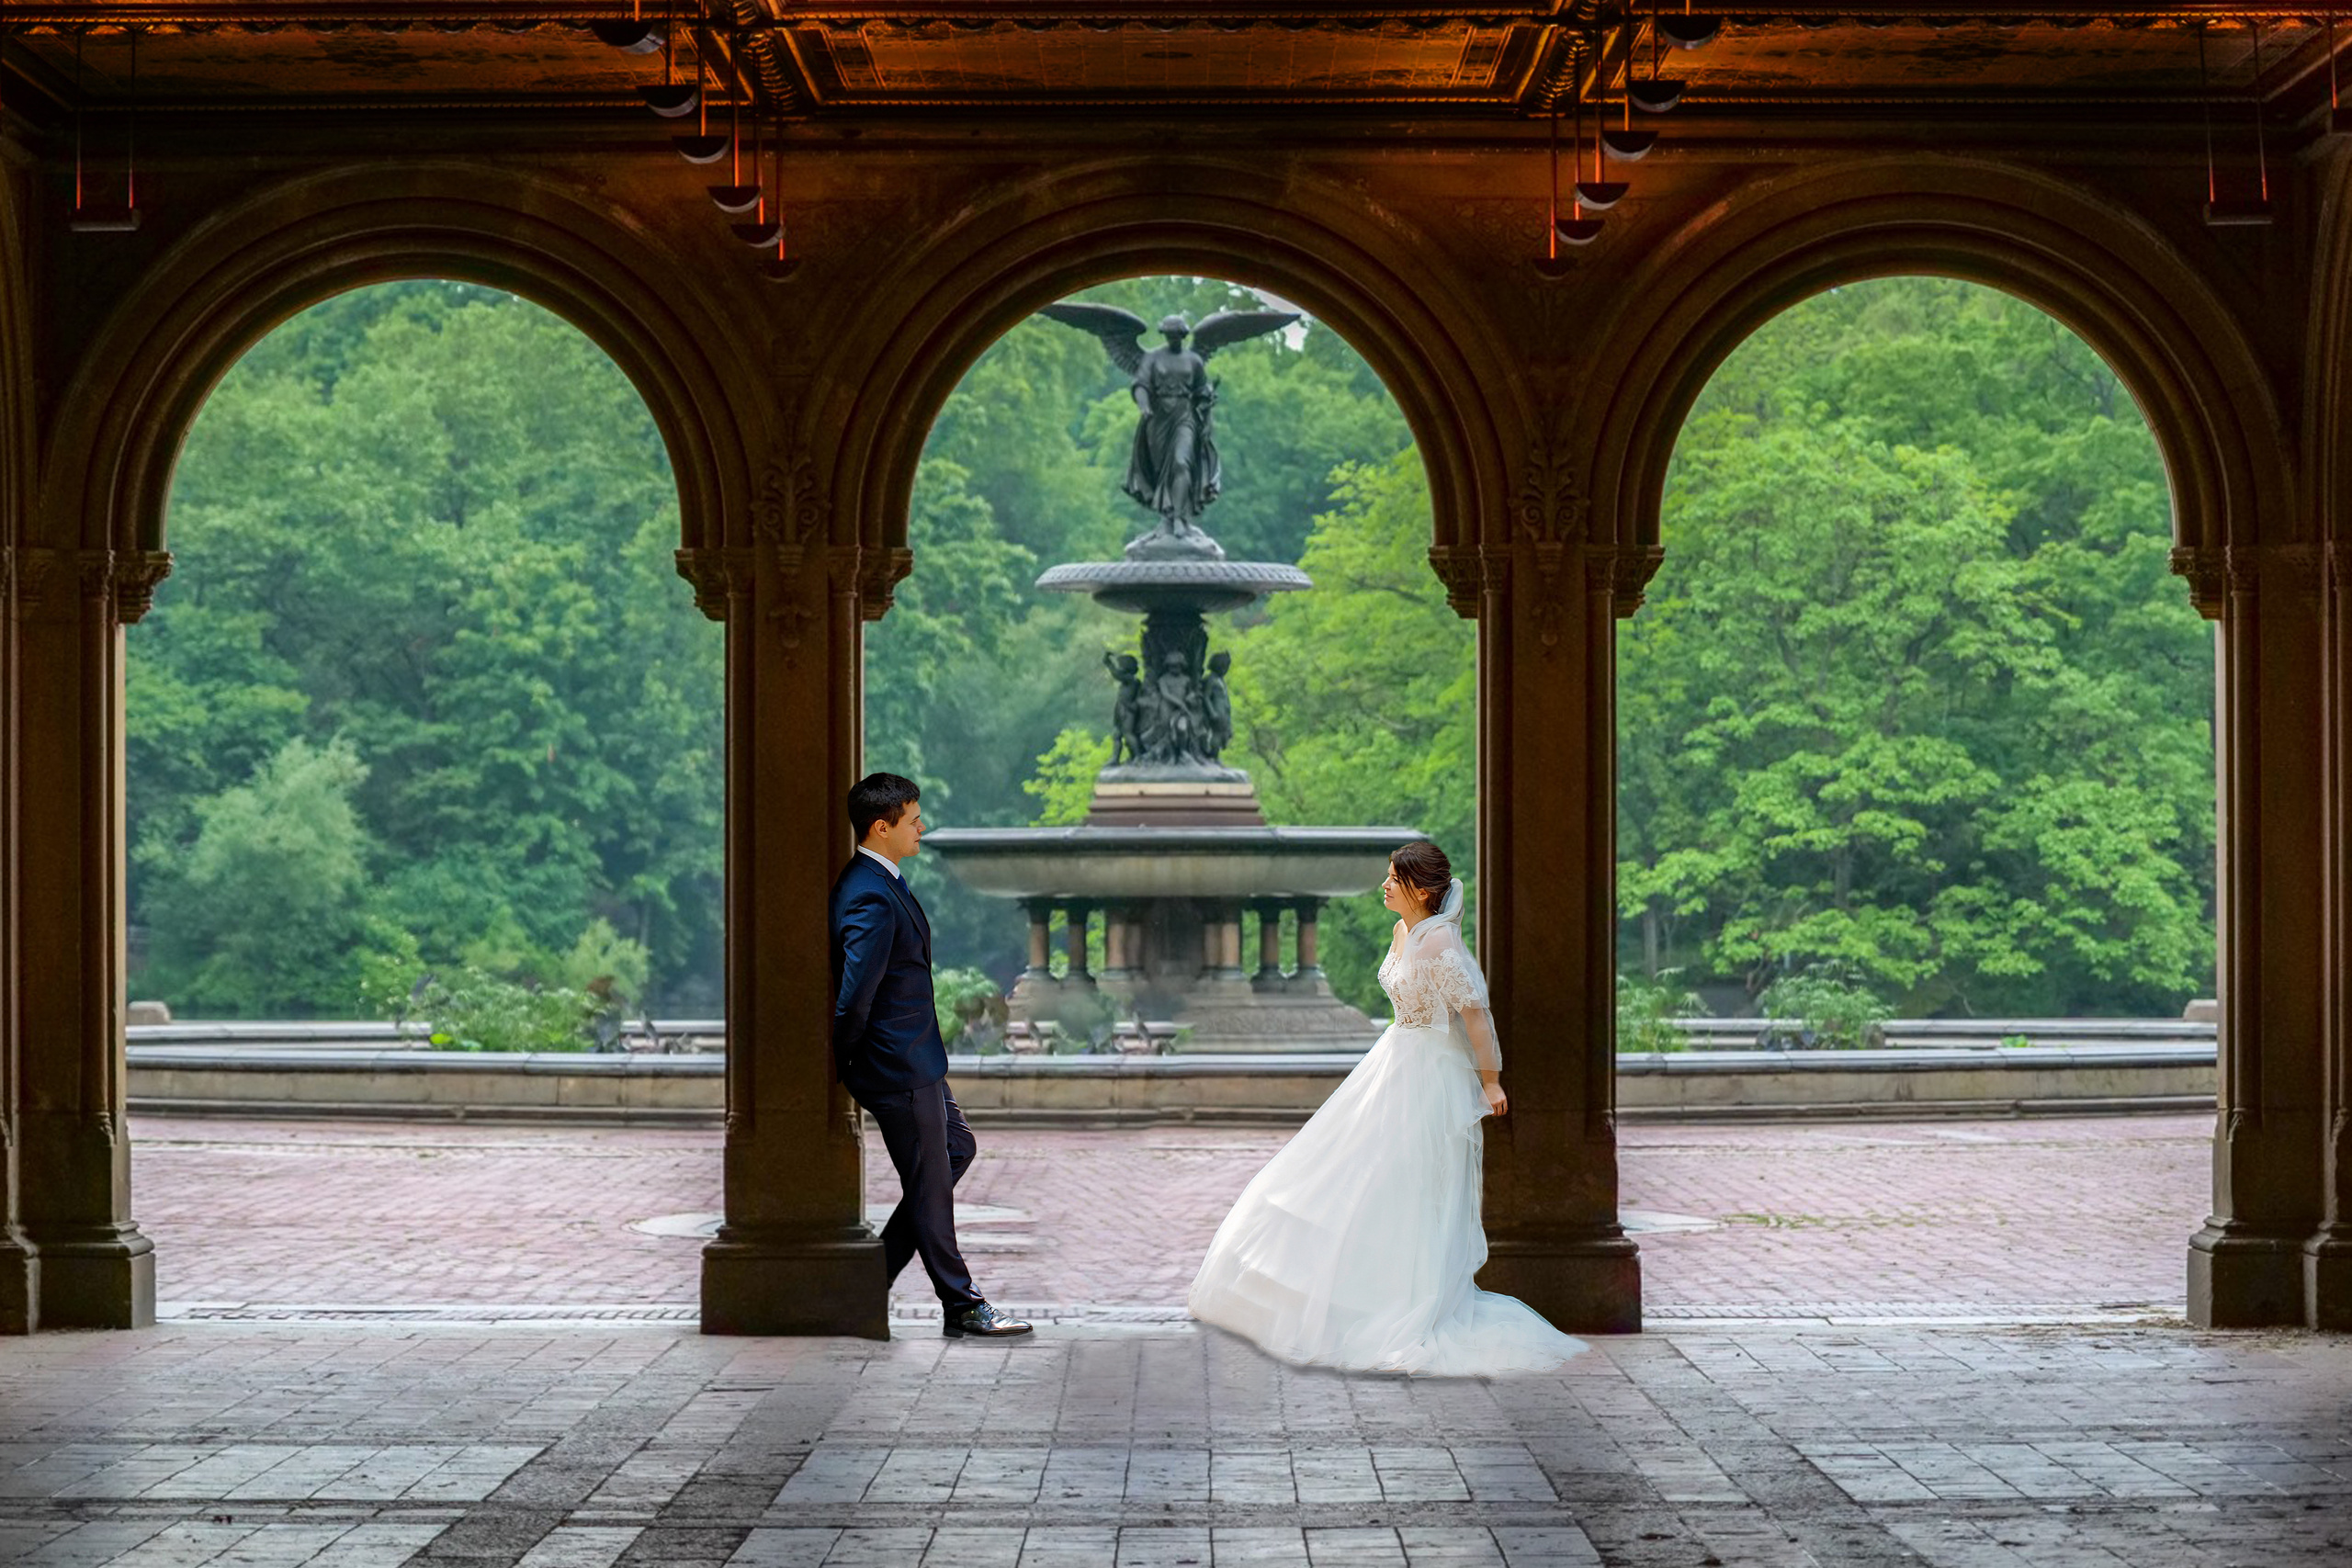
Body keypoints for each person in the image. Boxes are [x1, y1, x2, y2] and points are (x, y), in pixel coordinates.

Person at [1187, 840, 1589, 1375]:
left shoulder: (1440, 943)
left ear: (1420, 890)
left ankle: (1406, 1302)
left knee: (1409, 1180)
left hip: (1430, 1071)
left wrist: (1490, 1081)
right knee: (1349, 1170)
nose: (1385, 886)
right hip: (1393, 1058)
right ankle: (1354, 1294)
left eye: (1394, 880)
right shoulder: (1403, 931)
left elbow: (1474, 1016)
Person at [830, 773, 1032, 1339]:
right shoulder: (868, 892)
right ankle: (963, 1305)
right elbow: (855, 997)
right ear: (882, 827)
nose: (921, 827)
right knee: (932, 1184)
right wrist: (847, 1062)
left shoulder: (881, 880)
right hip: (896, 1066)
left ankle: (867, 1283)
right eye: (913, 820)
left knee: (954, 1152)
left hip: (918, 1063)